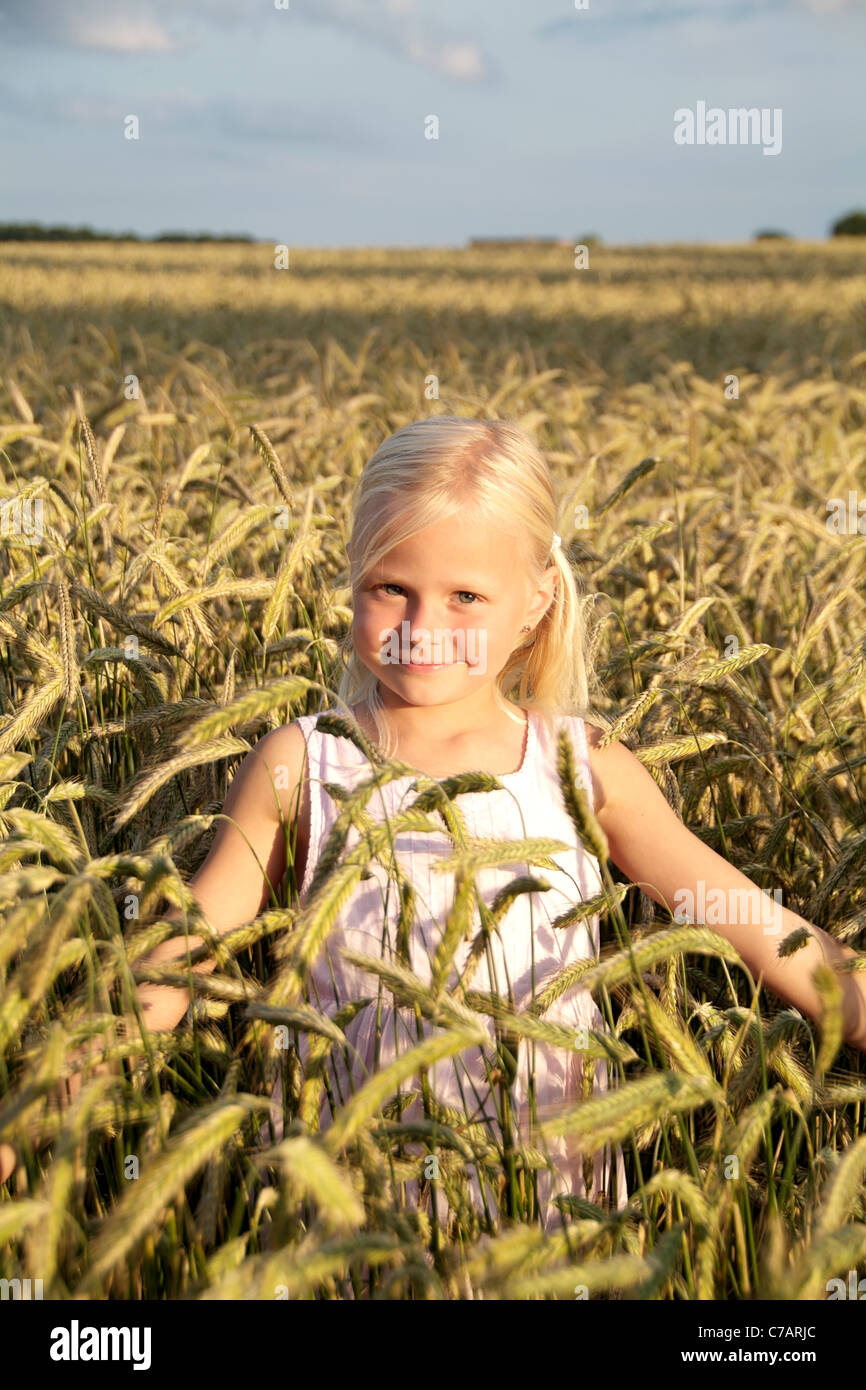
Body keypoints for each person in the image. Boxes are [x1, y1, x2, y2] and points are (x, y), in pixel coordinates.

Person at [5, 416, 865, 1224]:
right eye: (392, 589)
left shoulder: (580, 765)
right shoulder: (303, 762)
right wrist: (39, 1106)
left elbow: (750, 921)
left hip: (548, 1201)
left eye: (465, 597)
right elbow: (179, 955)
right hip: (345, 1200)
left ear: (533, 603)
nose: (424, 627)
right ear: (350, 583)